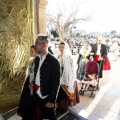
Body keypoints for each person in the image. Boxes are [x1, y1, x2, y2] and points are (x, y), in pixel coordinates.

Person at [29, 35, 60, 120]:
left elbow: (56, 82)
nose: (35, 46)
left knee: (50, 117)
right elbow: (37, 75)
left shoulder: (54, 61)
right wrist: (32, 83)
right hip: (37, 96)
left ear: (45, 45)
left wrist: (51, 101)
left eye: (37, 43)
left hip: (47, 98)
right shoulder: (37, 59)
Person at [56, 42, 80, 109]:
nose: (61, 48)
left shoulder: (68, 56)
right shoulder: (57, 55)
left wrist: (68, 77)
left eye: (62, 47)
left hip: (66, 76)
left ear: (65, 48)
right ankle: (59, 105)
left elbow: (71, 68)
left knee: (64, 90)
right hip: (59, 75)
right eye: (59, 47)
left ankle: (64, 106)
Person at [17, 45, 38, 120]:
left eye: (32, 51)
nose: (30, 52)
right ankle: (25, 115)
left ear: (36, 52)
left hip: (34, 83)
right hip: (29, 80)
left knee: (31, 100)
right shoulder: (31, 60)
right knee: (26, 99)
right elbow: (30, 72)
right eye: (30, 51)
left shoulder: (38, 61)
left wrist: (33, 82)